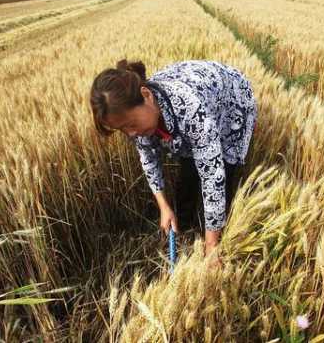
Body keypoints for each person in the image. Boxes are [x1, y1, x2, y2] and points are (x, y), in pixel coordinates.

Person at [89, 59, 257, 268]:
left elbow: (213, 176)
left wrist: (211, 246)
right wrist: (164, 206)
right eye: (123, 129)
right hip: (193, 100)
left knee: (222, 169)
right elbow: (149, 159)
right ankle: (185, 230)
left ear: (147, 96)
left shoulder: (190, 109)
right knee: (188, 171)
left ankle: (216, 237)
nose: (130, 133)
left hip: (231, 100)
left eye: (131, 124)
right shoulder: (140, 114)